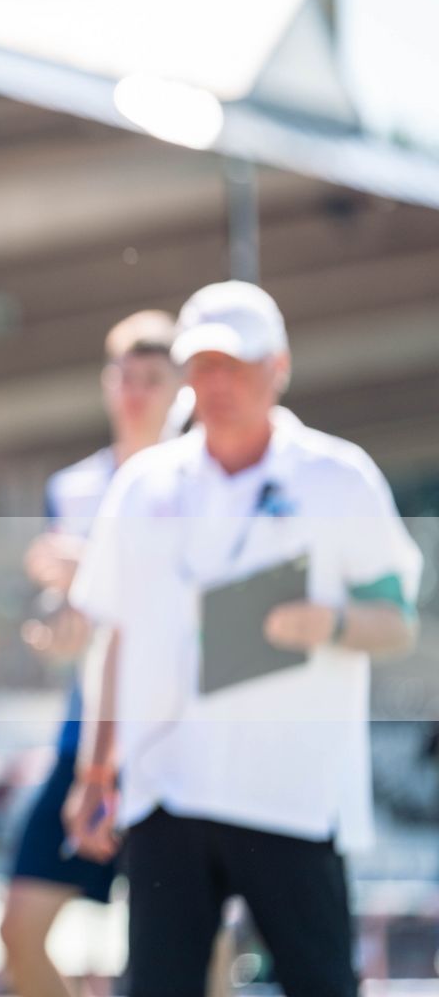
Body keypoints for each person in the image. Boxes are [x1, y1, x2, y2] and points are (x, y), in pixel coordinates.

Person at [65, 280, 422, 997]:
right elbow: (117, 638)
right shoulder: (143, 485)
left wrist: (334, 624)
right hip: (167, 791)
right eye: (202, 365)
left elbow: (400, 623)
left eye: (235, 364)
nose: (217, 383)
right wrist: (95, 772)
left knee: (321, 985)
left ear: (278, 367)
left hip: (291, 794)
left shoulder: (338, 478)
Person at [0, 310, 180, 997]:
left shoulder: (199, 482)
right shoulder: (72, 488)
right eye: (123, 377)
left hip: (173, 742)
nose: (134, 392)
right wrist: (54, 627)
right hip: (85, 739)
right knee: (20, 934)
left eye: (151, 379)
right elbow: (69, 615)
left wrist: (95, 568)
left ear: (178, 390)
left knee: (194, 949)